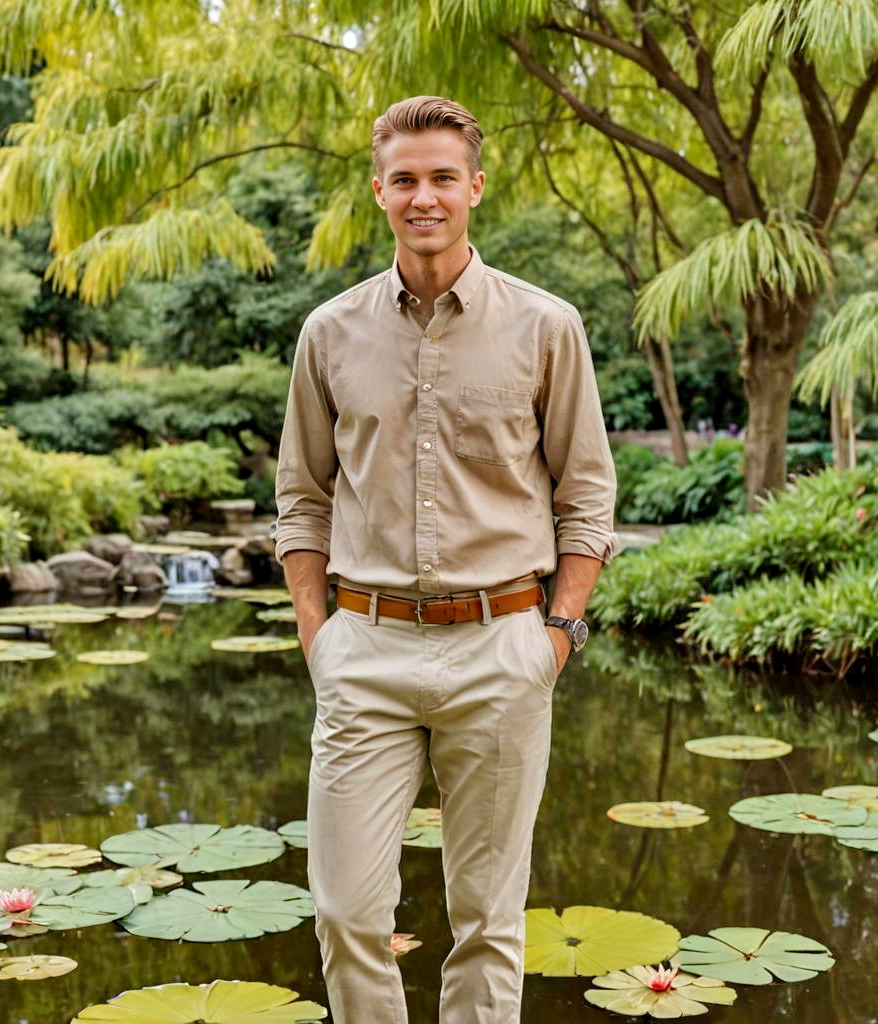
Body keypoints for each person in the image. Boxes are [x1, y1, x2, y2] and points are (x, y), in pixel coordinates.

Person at [274, 95, 617, 1024]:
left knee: (488, 920)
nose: (423, 196)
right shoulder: (329, 334)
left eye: (440, 178)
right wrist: (321, 638)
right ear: (379, 191)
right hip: (366, 650)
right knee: (346, 913)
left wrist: (556, 636)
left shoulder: (548, 327)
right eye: (404, 180)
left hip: (503, 645)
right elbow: (301, 500)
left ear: (474, 186)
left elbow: (586, 496)